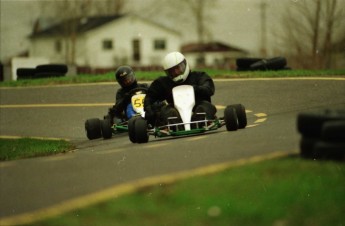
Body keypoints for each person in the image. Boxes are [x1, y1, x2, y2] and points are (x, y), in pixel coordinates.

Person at [144, 51, 217, 126]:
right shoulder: (163, 83)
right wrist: (150, 110)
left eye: (178, 68)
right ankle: (175, 125)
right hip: (175, 112)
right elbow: (149, 98)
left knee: (205, 107)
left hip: (198, 106)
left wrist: (195, 89)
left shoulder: (199, 76)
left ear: (185, 64)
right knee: (166, 110)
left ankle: (200, 121)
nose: (176, 72)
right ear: (167, 73)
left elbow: (209, 89)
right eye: (172, 71)